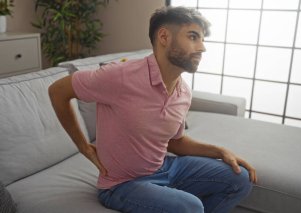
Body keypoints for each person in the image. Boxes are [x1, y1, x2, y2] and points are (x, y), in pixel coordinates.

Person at [49, 6, 257, 213]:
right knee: (190, 207)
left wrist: (220, 152)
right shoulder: (119, 76)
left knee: (240, 179)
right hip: (121, 184)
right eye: (193, 37)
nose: (202, 47)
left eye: (203, 39)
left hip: (165, 167)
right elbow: (58, 91)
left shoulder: (183, 92)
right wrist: (83, 146)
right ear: (164, 37)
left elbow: (175, 142)